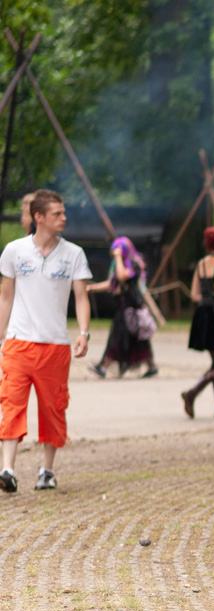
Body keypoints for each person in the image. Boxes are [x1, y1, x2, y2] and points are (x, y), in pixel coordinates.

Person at [0, 190, 92, 492]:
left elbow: (81, 297)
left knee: (53, 409)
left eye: (63, 212)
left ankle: (47, 470)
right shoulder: (14, 250)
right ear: (38, 217)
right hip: (18, 343)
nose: (64, 217)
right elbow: (5, 297)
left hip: (55, 345)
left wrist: (83, 332)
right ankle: (7, 470)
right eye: (57, 214)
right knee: (11, 404)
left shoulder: (74, 254)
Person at [180, 226, 214, 418]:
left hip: (203, 314)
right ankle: (192, 393)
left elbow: (195, 294)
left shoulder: (201, 263)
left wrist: (206, 299)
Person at [87, 237, 154, 378]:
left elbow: (122, 276)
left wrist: (118, 258)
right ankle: (151, 366)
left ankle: (104, 367)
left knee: (124, 339)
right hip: (122, 308)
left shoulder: (134, 265)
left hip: (132, 310)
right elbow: (112, 283)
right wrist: (91, 288)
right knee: (129, 340)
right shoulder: (120, 266)